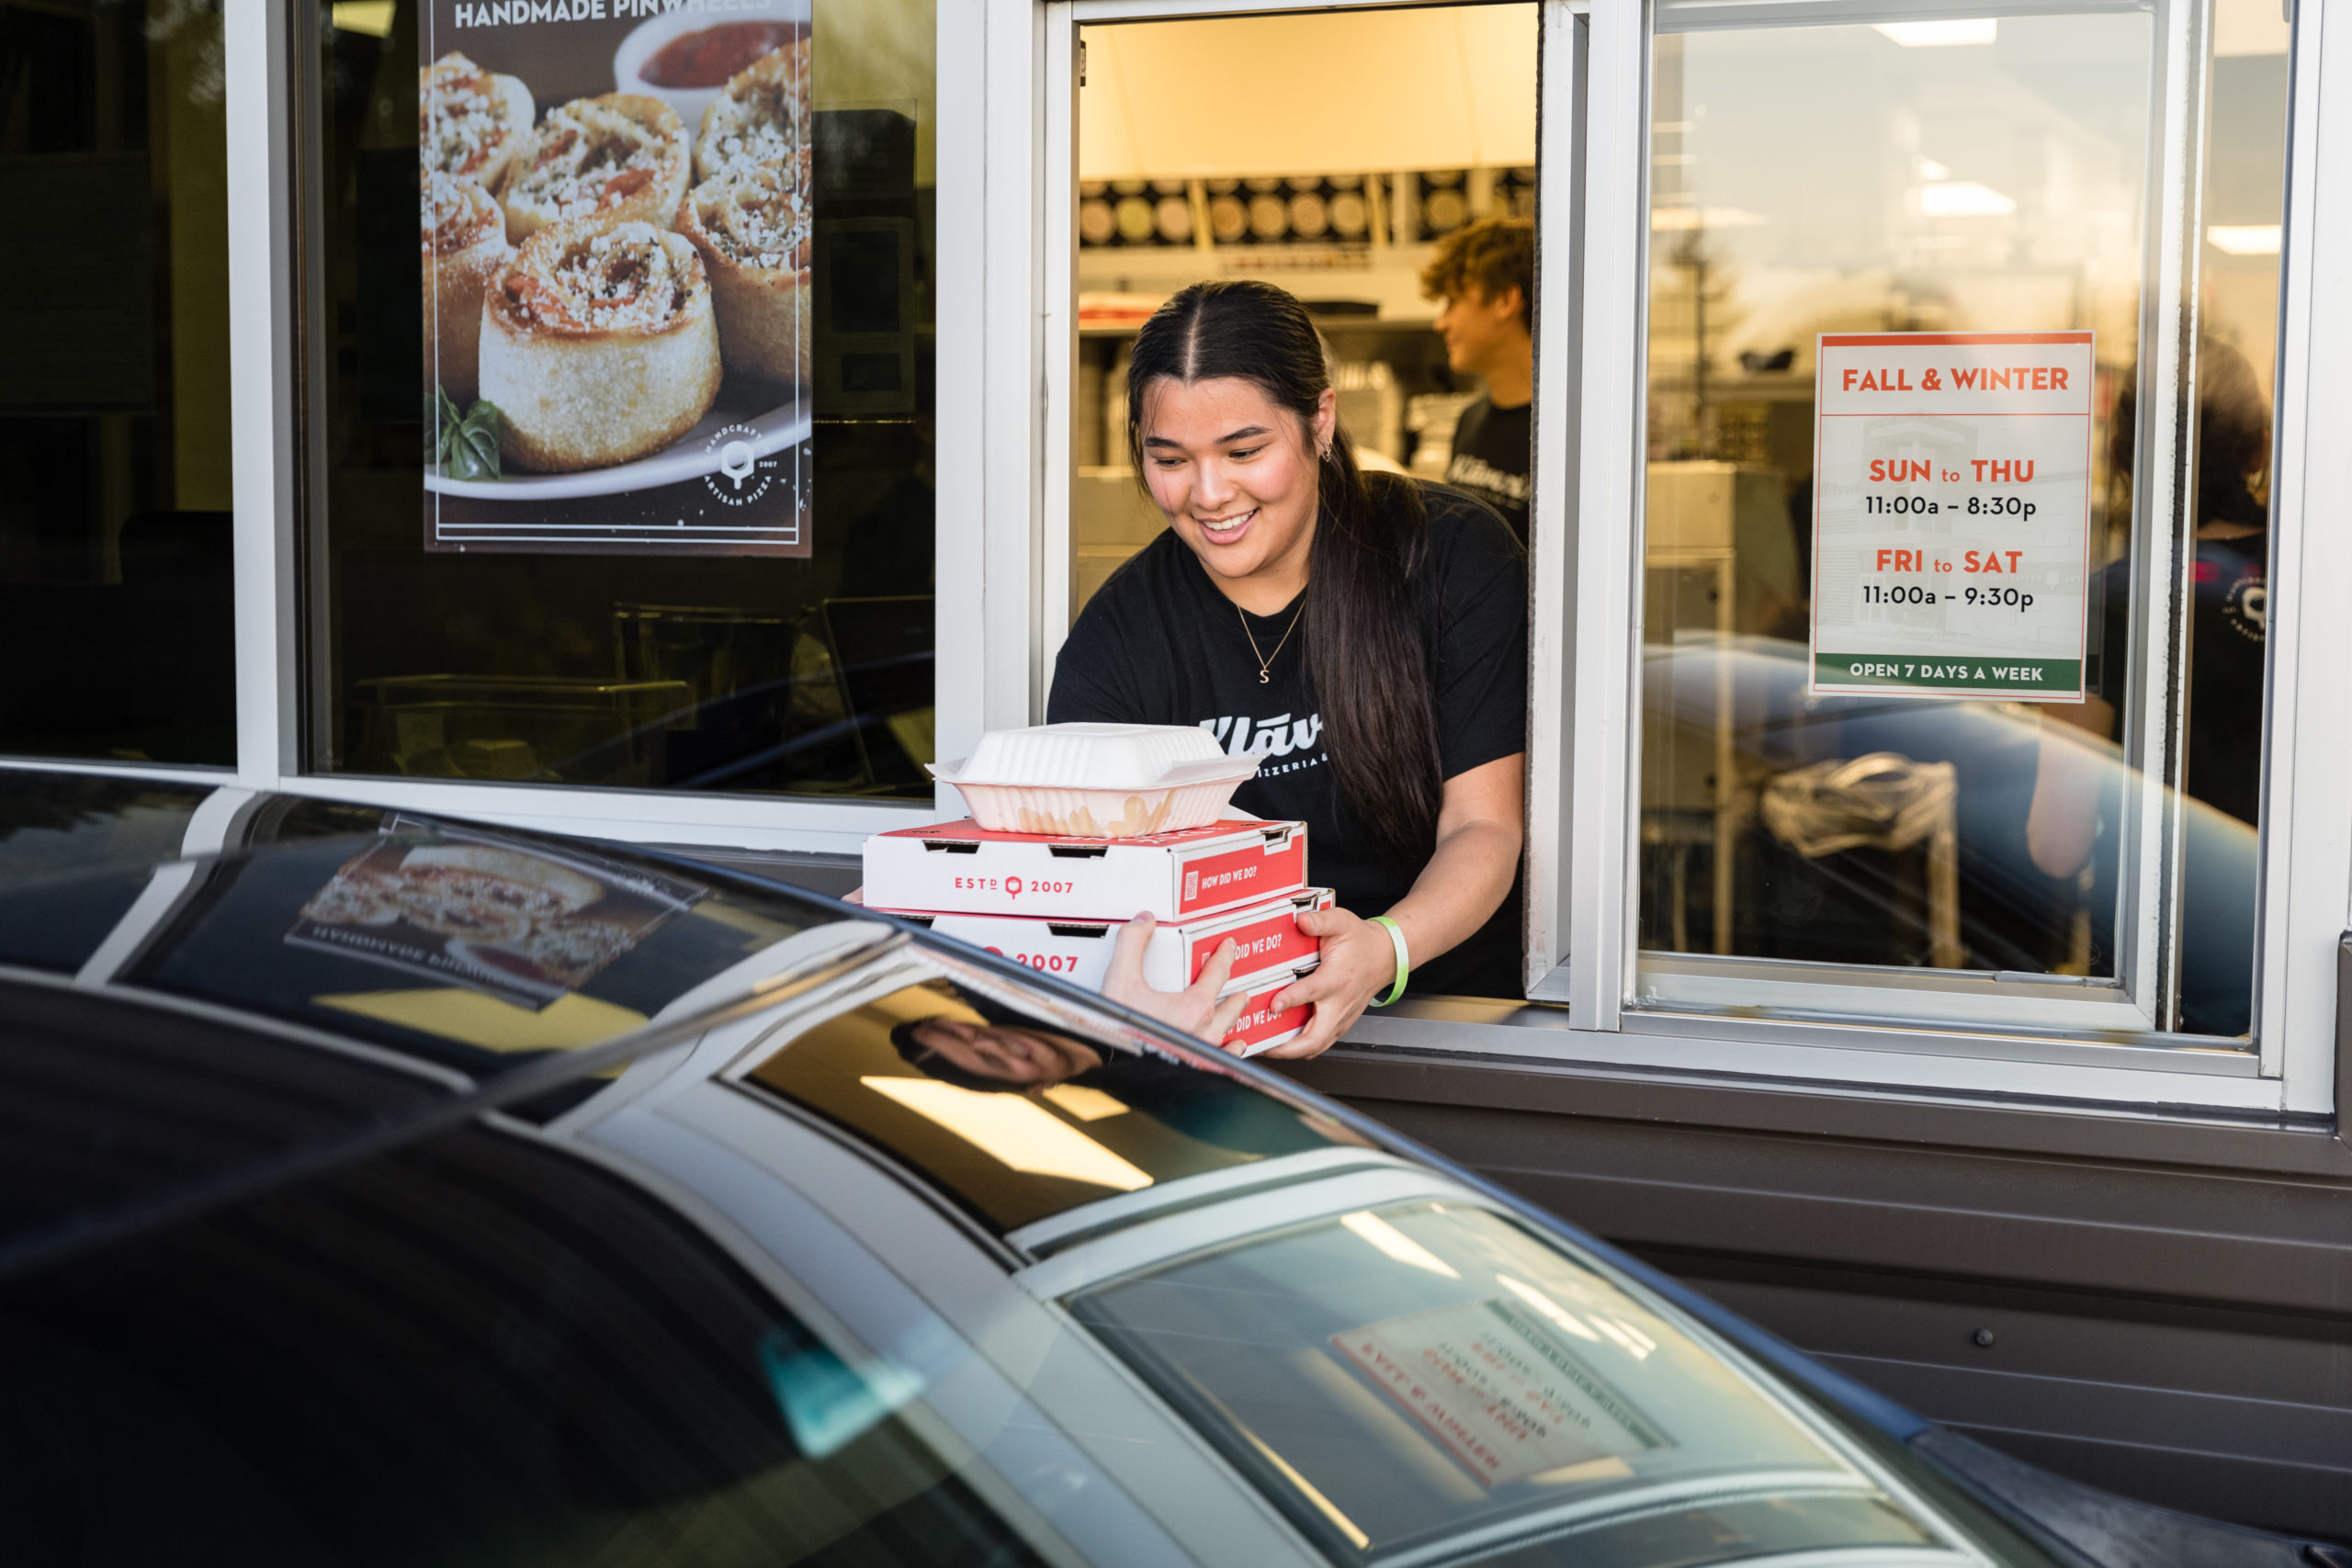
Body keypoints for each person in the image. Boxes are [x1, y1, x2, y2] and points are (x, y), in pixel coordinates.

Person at [1049, 280, 1529, 1060]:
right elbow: (1085, 876)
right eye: (1170, 459)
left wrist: (1383, 949)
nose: (1210, 494)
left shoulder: (1451, 557)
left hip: (1451, 1025)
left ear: (1321, 420)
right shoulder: (1122, 633)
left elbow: (1485, 826)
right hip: (1226, 1039)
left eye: (1245, 452)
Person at [2027, 337, 2267, 1034]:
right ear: (2260, 446)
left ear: (2122, 455)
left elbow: (2056, 843)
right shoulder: (2322, 584)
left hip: (2161, 977)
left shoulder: (2107, 602)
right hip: (2297, 969)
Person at [1420, 218, 1536, 545]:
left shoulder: (1564, 434)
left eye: (1452, 301)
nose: (1441, 323)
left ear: (1504, 301)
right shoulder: (1470, 421)